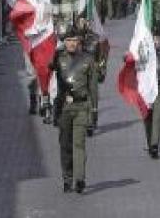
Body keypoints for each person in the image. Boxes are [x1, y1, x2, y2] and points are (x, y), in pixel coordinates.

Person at [52, 24, 96, 194]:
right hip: (64, 107)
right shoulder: (59, 58)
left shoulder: (88, 59)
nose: (71, 43)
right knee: (65, 144)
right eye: (68, 40)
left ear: (79, 41)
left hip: (81, 106)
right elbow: (49, 73)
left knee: (79, 143)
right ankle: (67, 178)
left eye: (74, 40)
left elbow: (93, 88)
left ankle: (79, 179)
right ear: (64, 42)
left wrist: (94, 112)